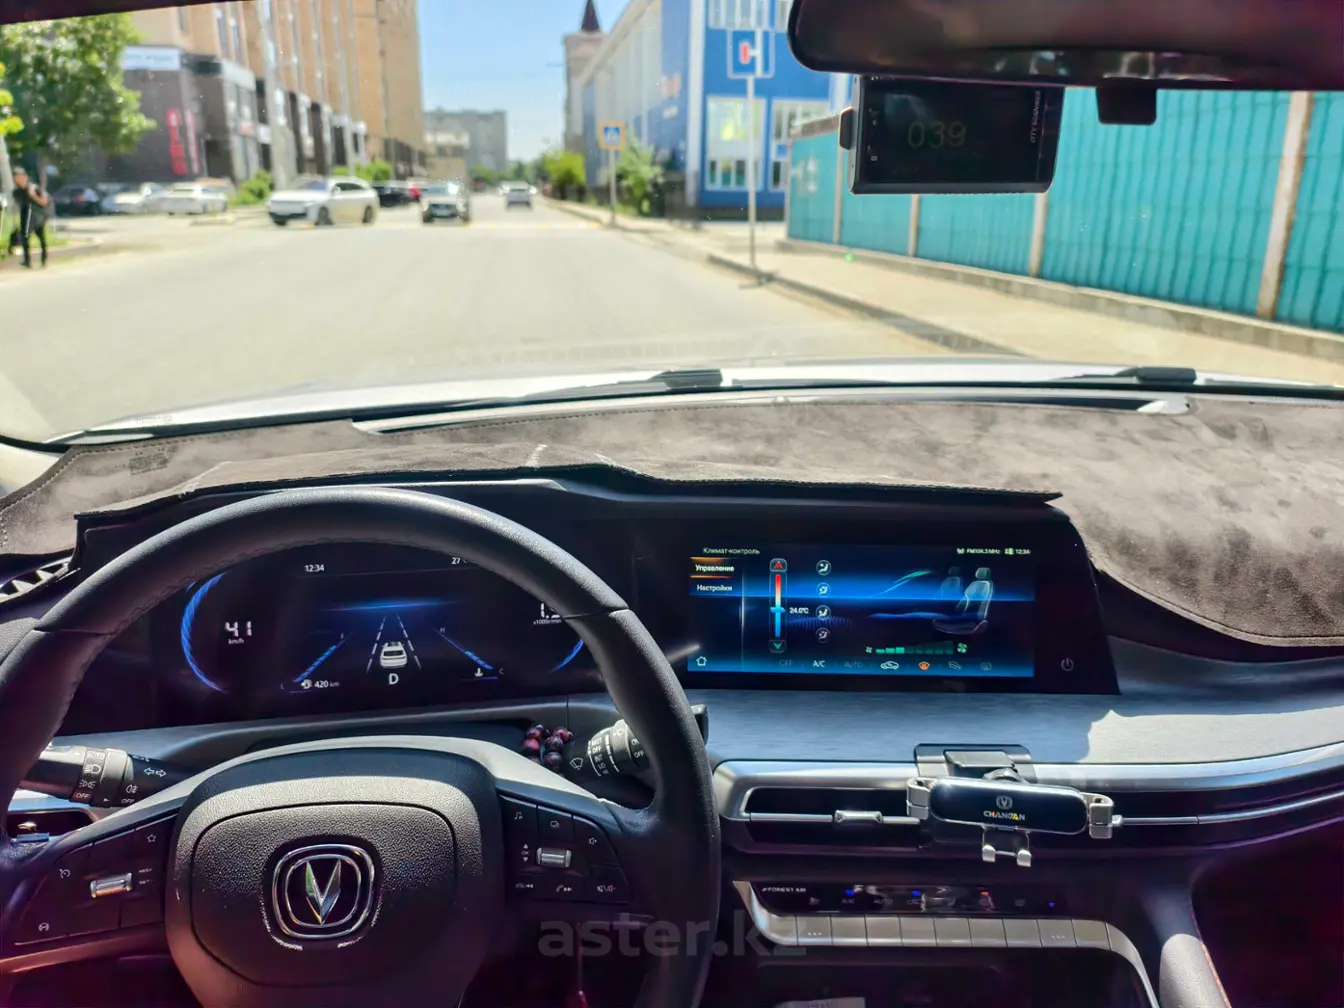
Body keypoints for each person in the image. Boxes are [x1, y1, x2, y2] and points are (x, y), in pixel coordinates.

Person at [8, 166, 49, 268]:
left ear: (25, 177)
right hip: (25, 215)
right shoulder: (16, 192)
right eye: (16, 177)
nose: (19, 179)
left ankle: (44, 259)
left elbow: (44, 202)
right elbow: (17, 205)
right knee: (24, 238)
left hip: (37, 215)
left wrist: (33, 196)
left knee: (41, 237)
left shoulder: (34, 188)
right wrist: (14, 221)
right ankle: (27, 261)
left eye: (21, 176)